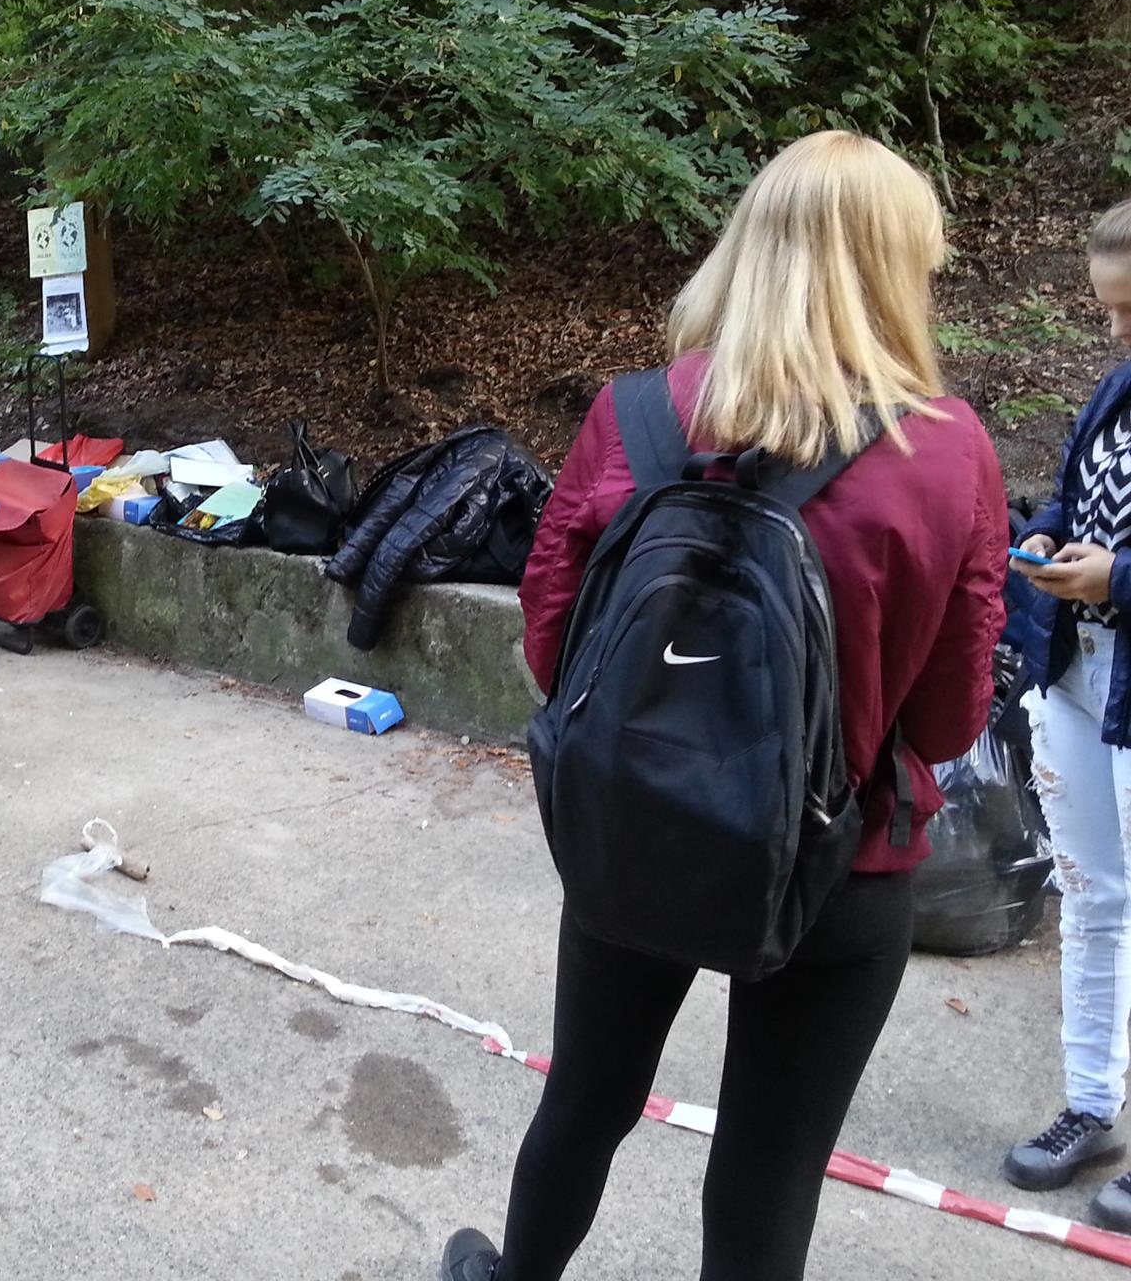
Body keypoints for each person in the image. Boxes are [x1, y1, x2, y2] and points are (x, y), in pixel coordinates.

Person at [441, 131, 1006, 1281]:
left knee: (584, 1101)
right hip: (839, 864)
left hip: (639, 832)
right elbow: (949, 724)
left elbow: (552, 647)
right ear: (898, 268)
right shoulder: (948, 453)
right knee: (767, 1171)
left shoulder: (633, 416)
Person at [1005, 199, 1131, 1230]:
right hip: (1078, 677)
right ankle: (1090, 1104)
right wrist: (1046, 541)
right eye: (1108, 310)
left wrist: (1116, 580)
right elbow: (1069, 493)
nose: (1117, 331)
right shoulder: (1115, 387)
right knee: (1089, 896)